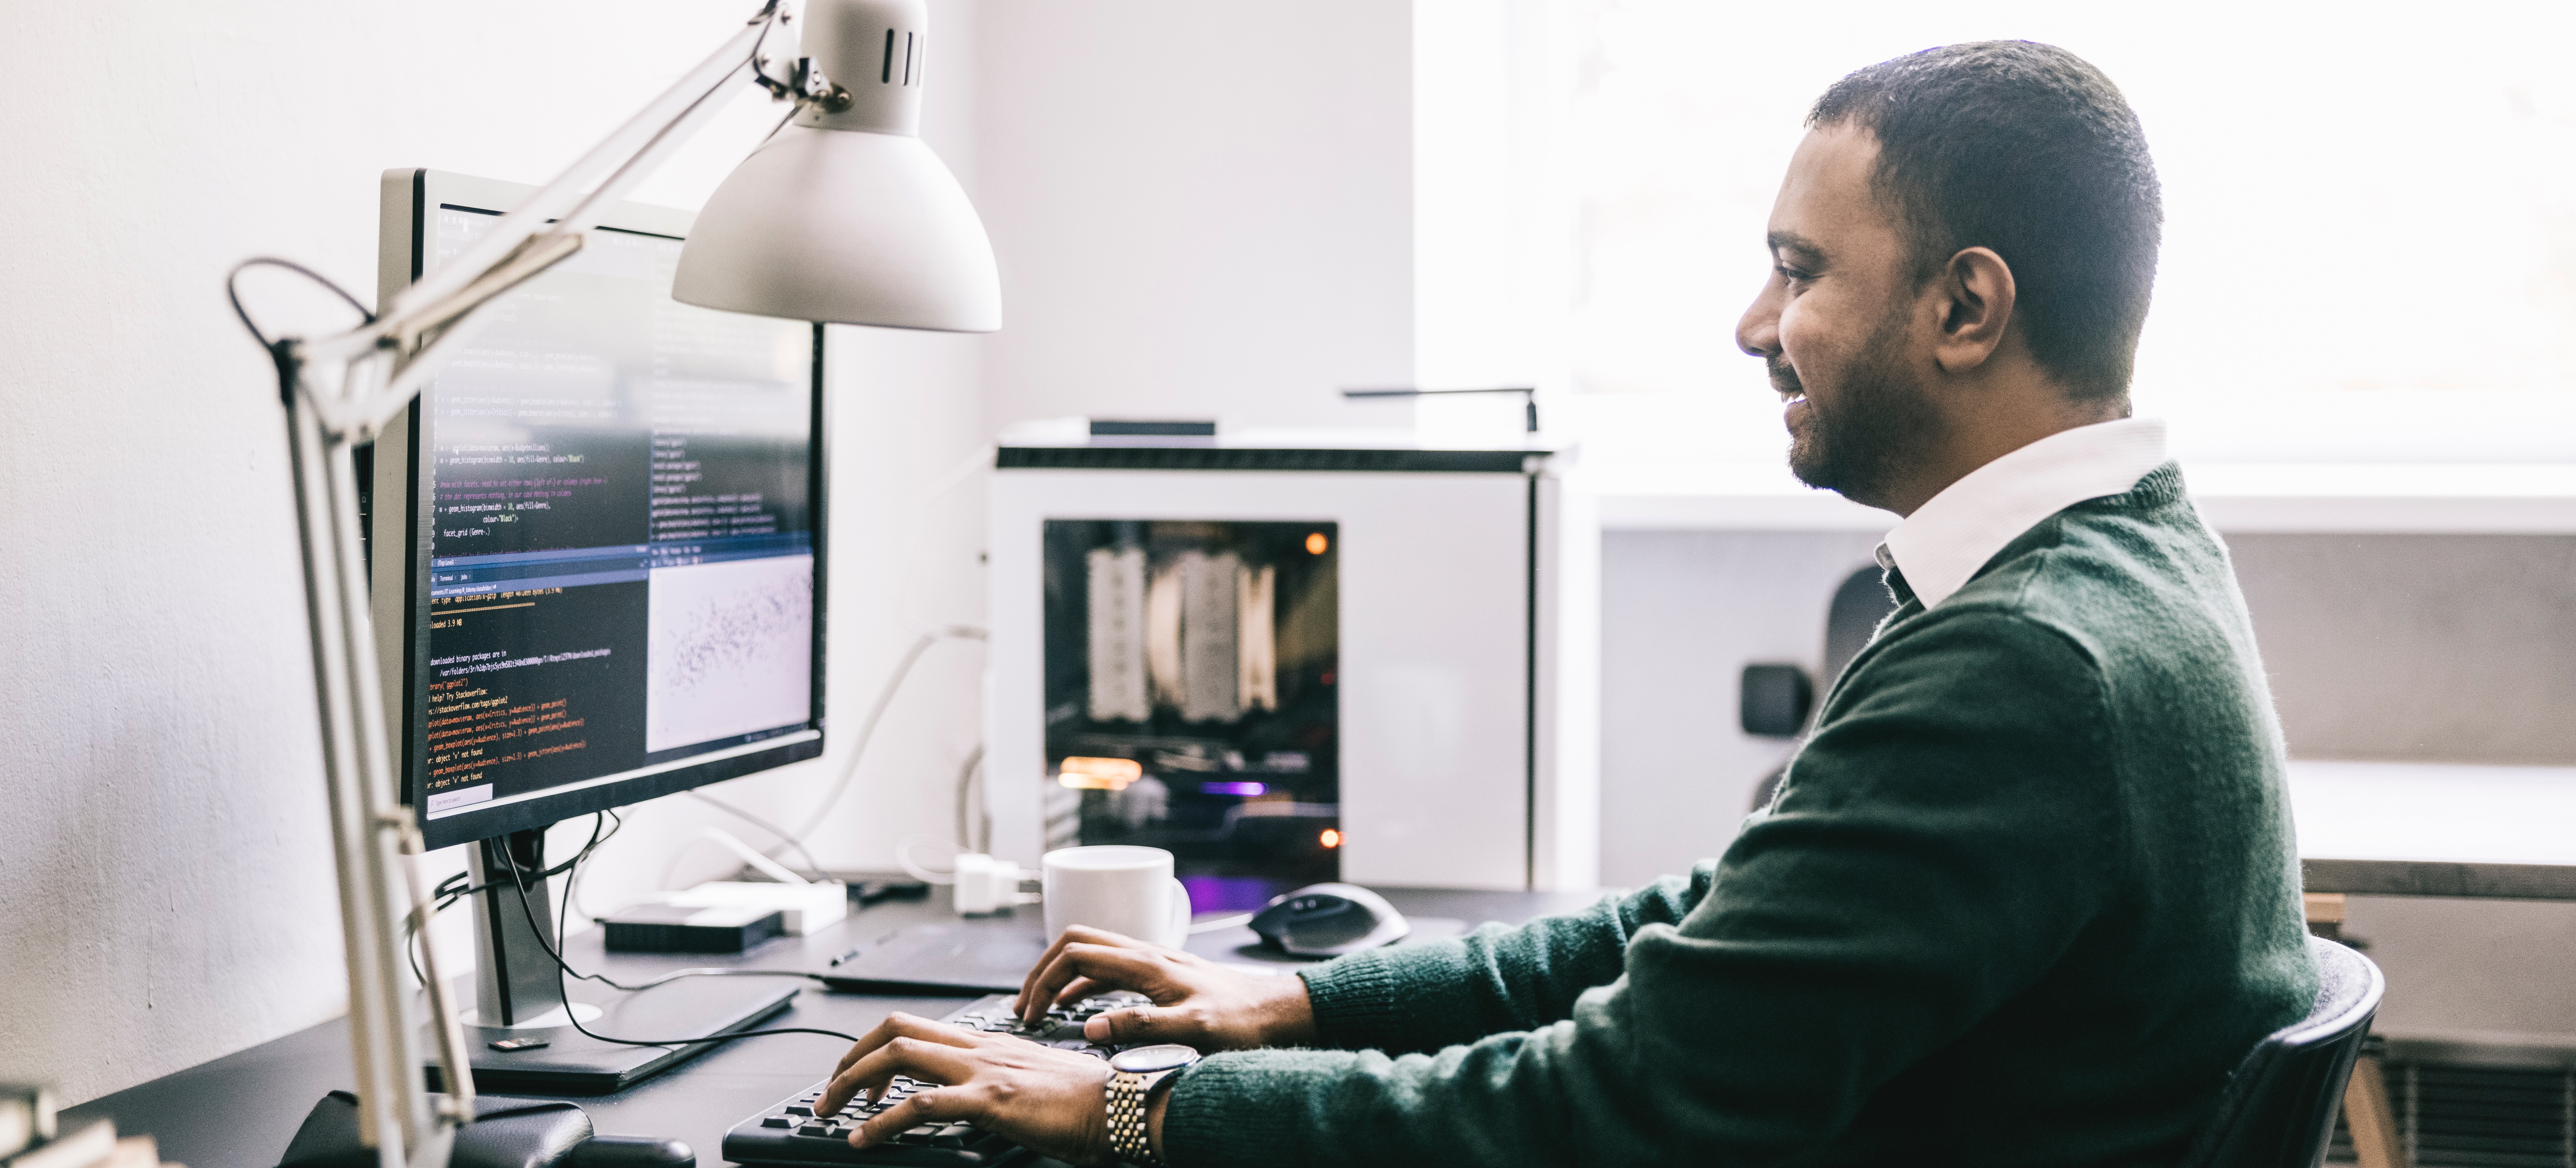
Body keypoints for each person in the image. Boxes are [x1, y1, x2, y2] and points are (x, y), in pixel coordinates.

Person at [815, 40, 2319, 1167]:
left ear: (1963, 307)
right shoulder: (2128, 557)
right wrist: (1299, 1006)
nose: (1753, 325)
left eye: (1796, 270)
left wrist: (1132, 1102)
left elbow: (1612, 1103)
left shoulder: (2022, 661)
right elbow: (1717, 922)